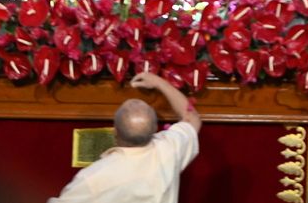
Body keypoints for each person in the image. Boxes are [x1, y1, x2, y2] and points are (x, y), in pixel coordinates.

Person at [48, 71, 201, 203]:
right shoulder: (169, 148)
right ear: (155, 129)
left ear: (115, 133)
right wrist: (159, 82)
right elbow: (191, 117)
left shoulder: (94, 178)